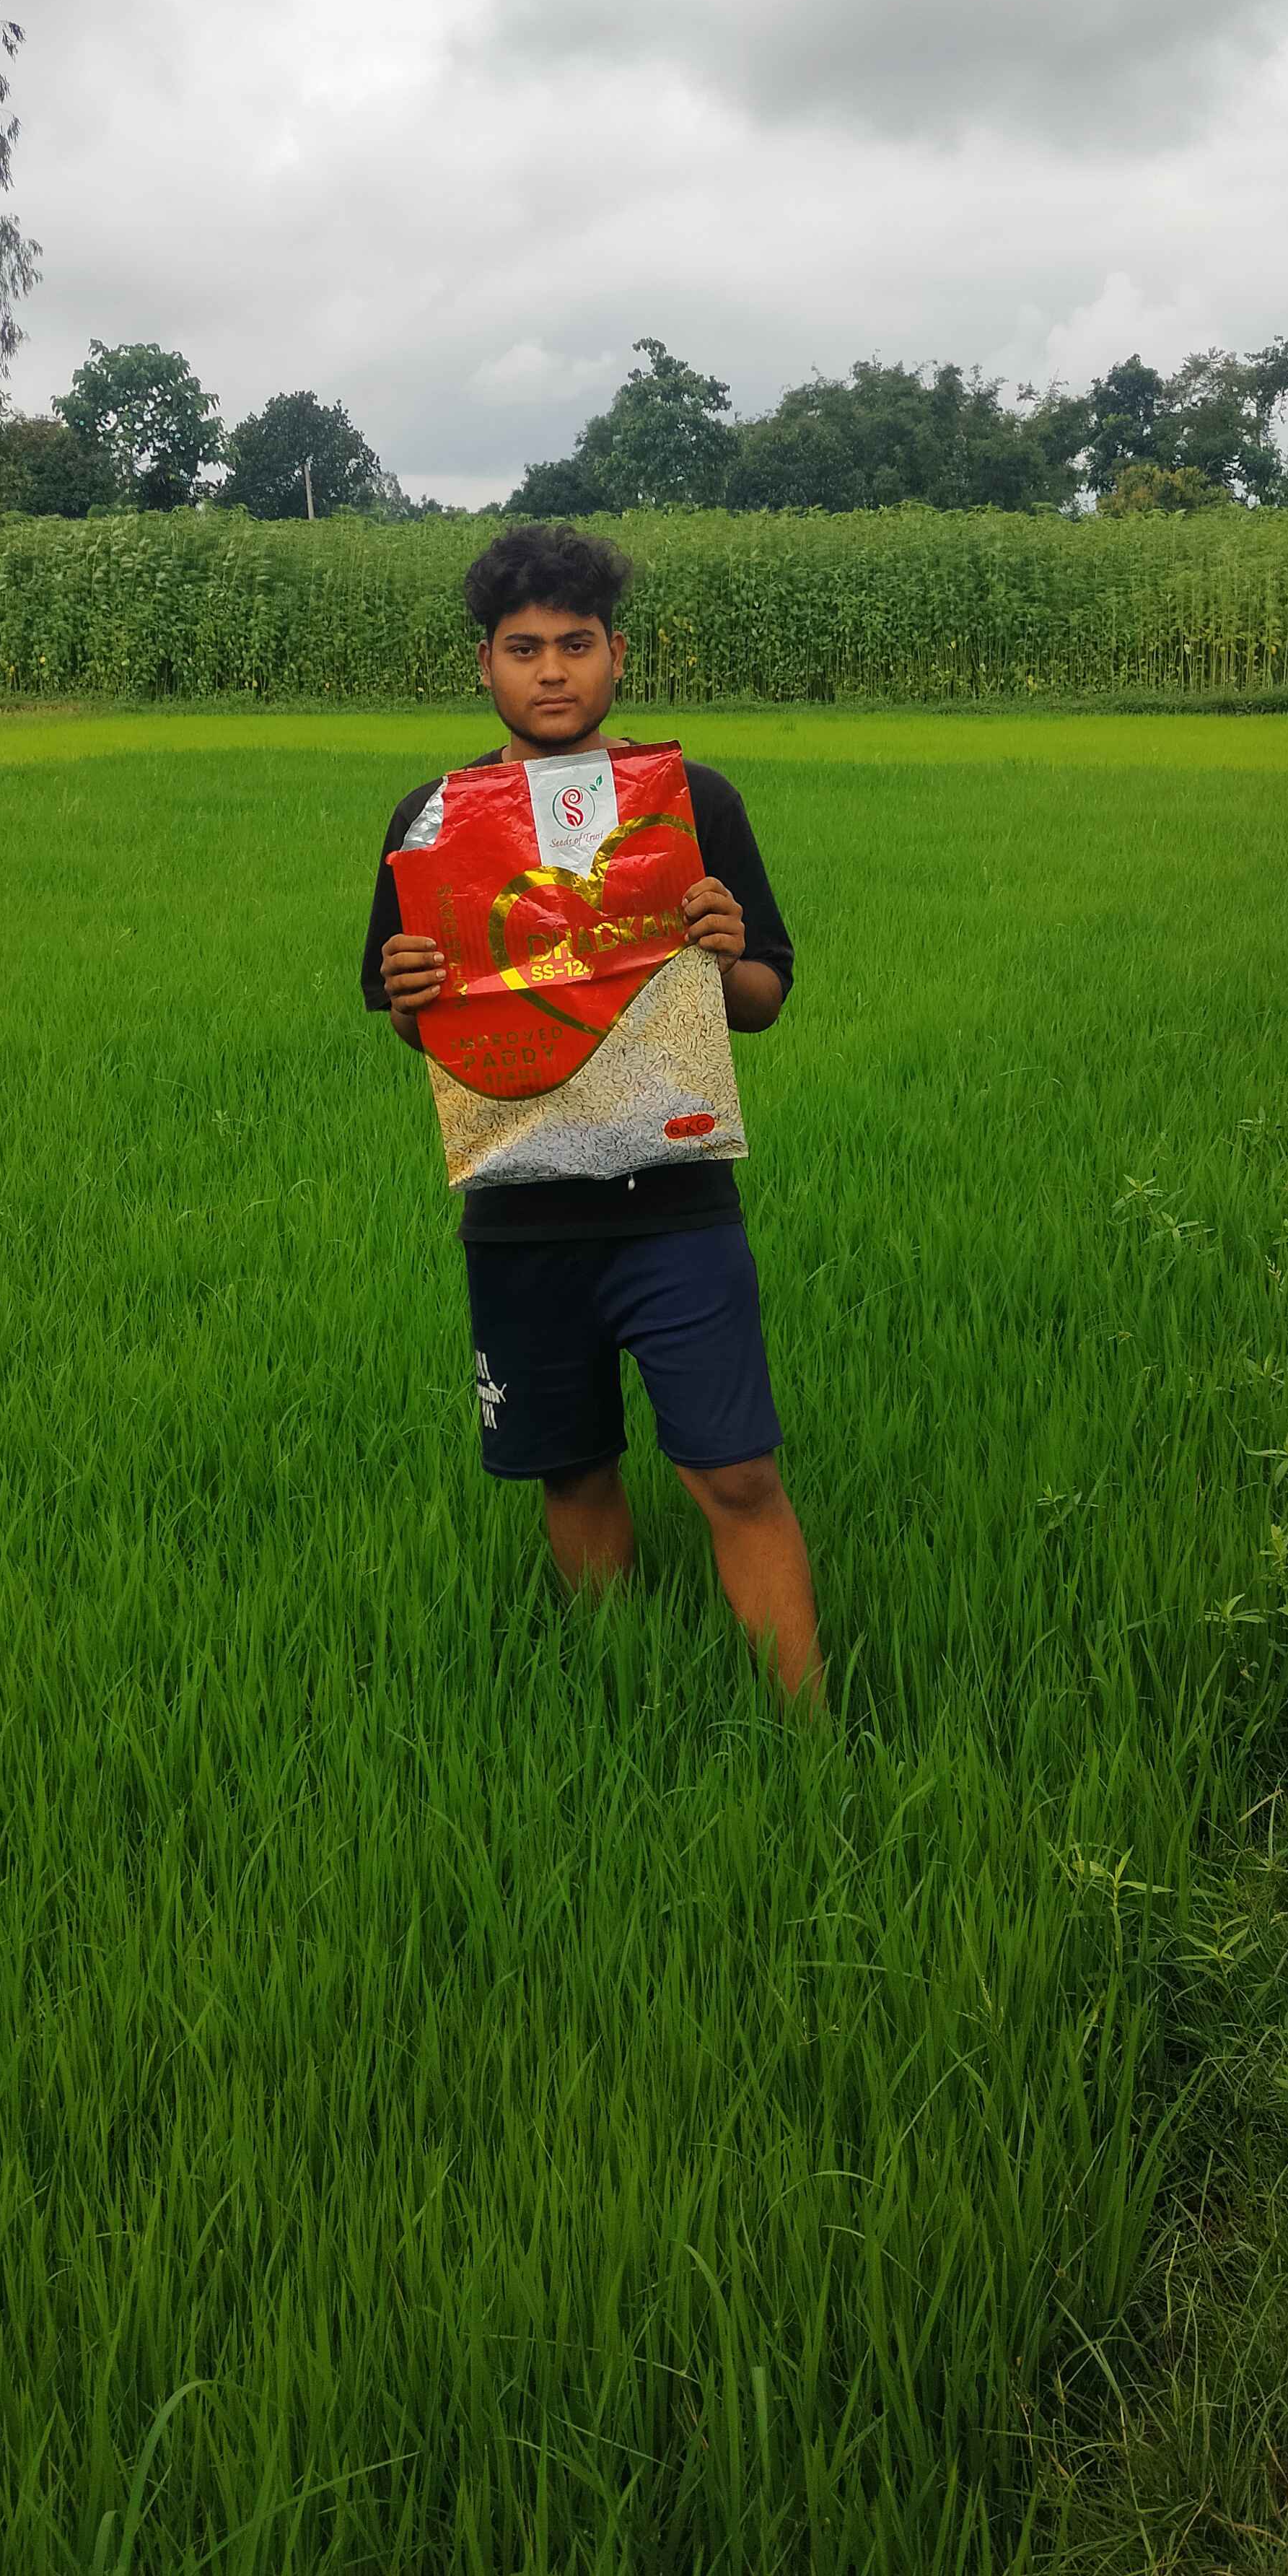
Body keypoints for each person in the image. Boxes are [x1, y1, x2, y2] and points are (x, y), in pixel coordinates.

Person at [359, 521, 824, 1713]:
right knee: (571, 1472)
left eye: (576, 644)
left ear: (618, 655)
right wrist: (412, 1000)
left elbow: (762, 1000)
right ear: (485, 665)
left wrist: (724, 950)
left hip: (679, 1208)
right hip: (521, 1215)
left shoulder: (692, 800)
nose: (552, 672)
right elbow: (420, 1025)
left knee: (737, 1473)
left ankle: (810, 1733)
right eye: (524, 649)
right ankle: (619, 1707)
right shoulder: (432, 820)